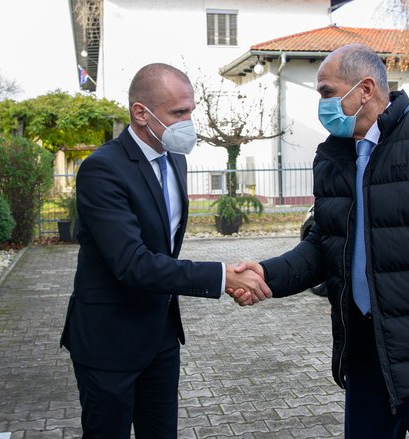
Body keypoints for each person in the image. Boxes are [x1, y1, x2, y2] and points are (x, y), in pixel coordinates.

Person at [232, 44, 409, 438]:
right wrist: (266, 273)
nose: (321, 104)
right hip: (366, 354)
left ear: (365, 89)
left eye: (326, 92)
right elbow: (324, 245)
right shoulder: (334, 157)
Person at [60, 63, 271, 439]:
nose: (188, 121)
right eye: (178, 113)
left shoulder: (176, 159)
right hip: (109, 341)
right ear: (141, 113)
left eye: (190, 111)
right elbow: (132, 264)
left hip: (160, 336)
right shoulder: (102, 170)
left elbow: (165, 245)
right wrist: (223, 277)